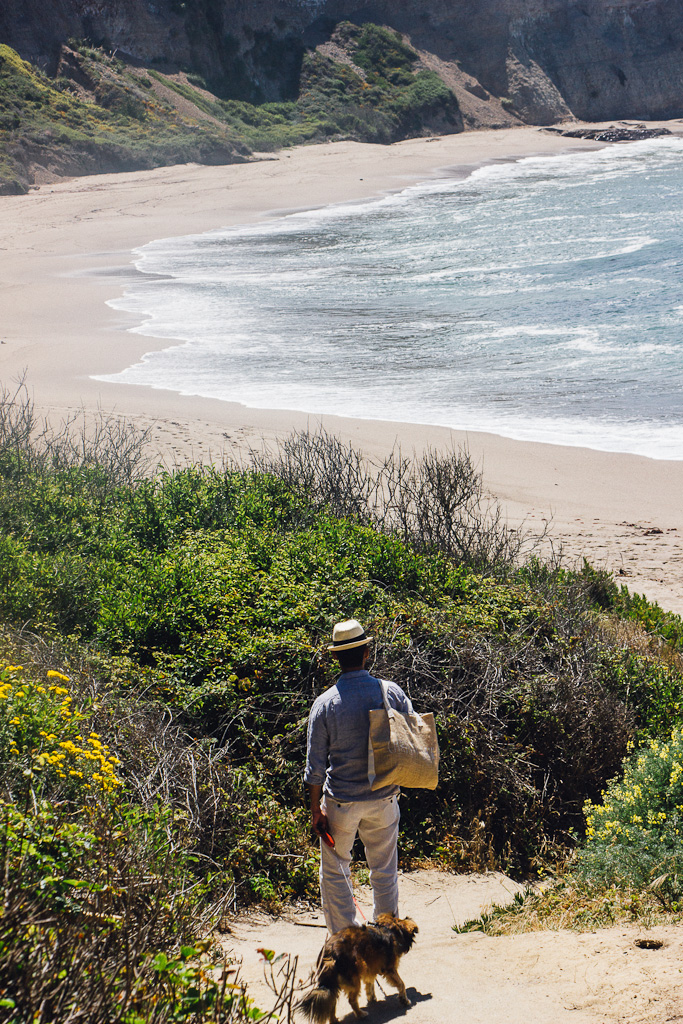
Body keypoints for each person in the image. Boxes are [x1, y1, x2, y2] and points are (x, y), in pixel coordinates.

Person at [304, 619, 414, 935]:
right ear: (367, 653)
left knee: (336, 872)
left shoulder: (324, 704)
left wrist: (316, 810)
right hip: (384, 798)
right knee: (384, 870)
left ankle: (345, 941)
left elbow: (315, 768)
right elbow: (410, 740)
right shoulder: (390, 692)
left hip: (341, 803)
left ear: (336, 658)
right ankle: (386, 938)